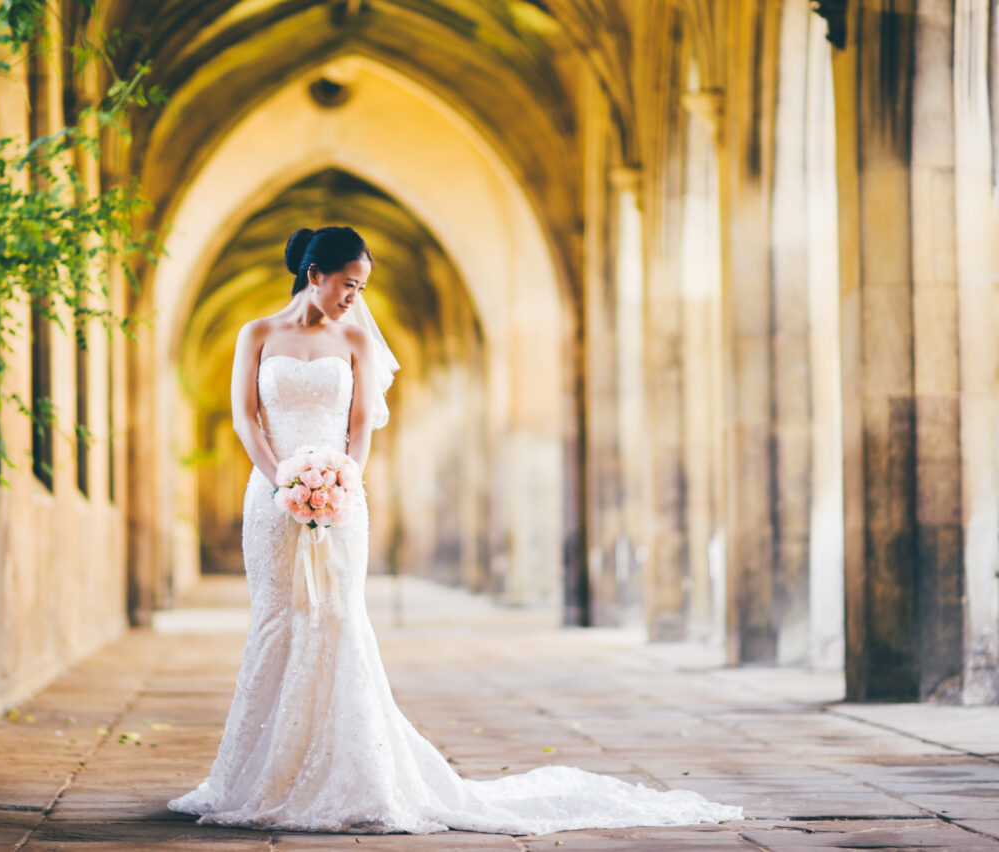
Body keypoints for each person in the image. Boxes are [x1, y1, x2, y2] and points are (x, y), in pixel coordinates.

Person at [167, 225, 743, 834]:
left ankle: (351, 774)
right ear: (315, 276)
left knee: (337, 620)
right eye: (347, 284)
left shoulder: (357, 340)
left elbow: (360, 427)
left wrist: (340, 484)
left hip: (339, 497)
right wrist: (285, 481)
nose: (352, 297)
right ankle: (256, 775)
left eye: (361, 287)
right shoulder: (256, 334)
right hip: (271, 499)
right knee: (278, 622)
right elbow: (244, 418)